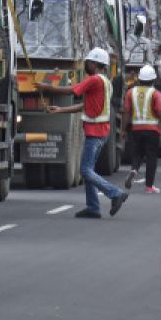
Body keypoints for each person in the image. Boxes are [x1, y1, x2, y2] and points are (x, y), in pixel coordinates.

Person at [38, 48, 131, 218]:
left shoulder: (94, 80)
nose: (86, 65)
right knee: (89, 169)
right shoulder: (105, 82)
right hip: (100, 133)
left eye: (88, 62)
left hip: (95, 133)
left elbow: (73, 90)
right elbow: (85, 105)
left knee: (86, 170)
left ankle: (115, 193)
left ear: (95, 64)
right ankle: (93, 207)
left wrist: (48, 88)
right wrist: (61, 109)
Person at [122, 65, 161, 193]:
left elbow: (126, 112)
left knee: (137, 153)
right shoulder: (155, 93)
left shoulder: (130, 92)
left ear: (139, 79)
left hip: (135, 129)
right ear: (153, 80)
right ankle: (149, 186)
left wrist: (123, 130)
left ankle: (134, 170)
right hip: (152, 130)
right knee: (151, 157)